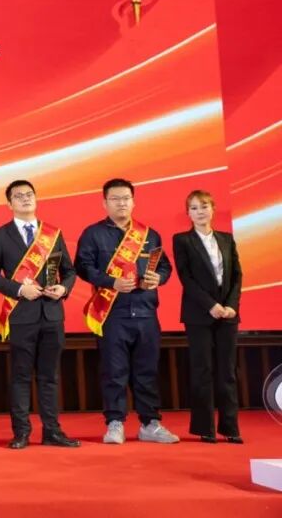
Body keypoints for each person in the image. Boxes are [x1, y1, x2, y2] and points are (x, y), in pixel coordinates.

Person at [75, 178, 178, 444]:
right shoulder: (93, 234)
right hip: (112, 314)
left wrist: (159, 278)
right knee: (114, 371)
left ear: (133, 202)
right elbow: (83, 267)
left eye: (126, 198)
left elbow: (164, 266)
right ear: (104, 203)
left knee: (147, 371)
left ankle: (150, 424)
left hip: (146, 312)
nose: (121, 203)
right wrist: (112, 282)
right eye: (115, 199)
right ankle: (115, 423)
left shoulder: (149, 234)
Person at [0, 180, 80, 449]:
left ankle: (52, 431)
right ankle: (21, 432)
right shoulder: (0, 235)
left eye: (29, 194)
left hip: (52, 314)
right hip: (21, 314)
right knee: (21, 376)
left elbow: (69, 271)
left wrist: (63, 288)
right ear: (9, 203)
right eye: (18, 196)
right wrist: (18, 289)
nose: (25, 199)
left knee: (50, 376)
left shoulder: (52, 233)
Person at [172, 189, 243, 443]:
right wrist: (210, 305)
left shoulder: (226, 239)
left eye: (204, 206)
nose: (200, 212)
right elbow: (186, 278)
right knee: (202, 370)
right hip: (198, 315)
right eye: (194, 208)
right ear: (188, 214)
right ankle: (205, 428)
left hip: (228, 314)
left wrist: (231, 305)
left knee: (227, 371)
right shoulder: (182, 240)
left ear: (213, 209)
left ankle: (230, 428)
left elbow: (236, 275)